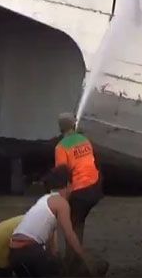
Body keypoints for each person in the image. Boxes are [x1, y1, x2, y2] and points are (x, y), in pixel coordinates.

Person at [9, 166, 94, 277]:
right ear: (68, 184)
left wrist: (55, 255)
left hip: (14, 252)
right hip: (29, 251)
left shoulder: (44, 200)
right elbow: (69, 234)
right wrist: (85, 257)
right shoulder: (61, 203)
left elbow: (50, 242)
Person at [53, 112, 103, 267]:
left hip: (80, 191)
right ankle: (76, 258)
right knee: (78, 221)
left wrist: (61, 201)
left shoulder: (61, 147)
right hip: (95, 188)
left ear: (60, 129)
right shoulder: (85, 140)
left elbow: (62, 174)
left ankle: (71, 262)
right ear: (73, 124)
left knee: (70, 225)